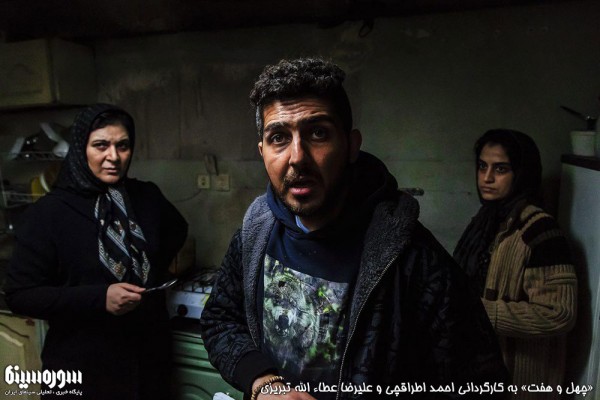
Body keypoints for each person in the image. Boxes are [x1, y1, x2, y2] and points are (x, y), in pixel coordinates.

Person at [199, 57, 507, 400]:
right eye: (279, 137)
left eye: (318, 133)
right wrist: (264, 383)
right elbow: (220, 320)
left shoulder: (414, 260)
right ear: (262, 152)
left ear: (351, 145)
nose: (297, 157)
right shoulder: (256, 230)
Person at [4, 103, 188, 399]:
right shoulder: (50, 213)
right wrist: (99, 297)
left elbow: (177, 231)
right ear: (81, 149)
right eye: (101, 145)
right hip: (82, 367)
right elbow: (20, 295)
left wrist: (149, 272)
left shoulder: (146, 197)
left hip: (147, 361)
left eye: (122, 146)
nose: (113, 156)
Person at [453, 129, 577, 398]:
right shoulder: (486, 220)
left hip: (519, 379)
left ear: (521, 173)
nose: (487, 178)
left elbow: (559, 314)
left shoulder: (540, 231)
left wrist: (479, 312)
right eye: (482, 166)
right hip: (479, 370)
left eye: (500, 169)